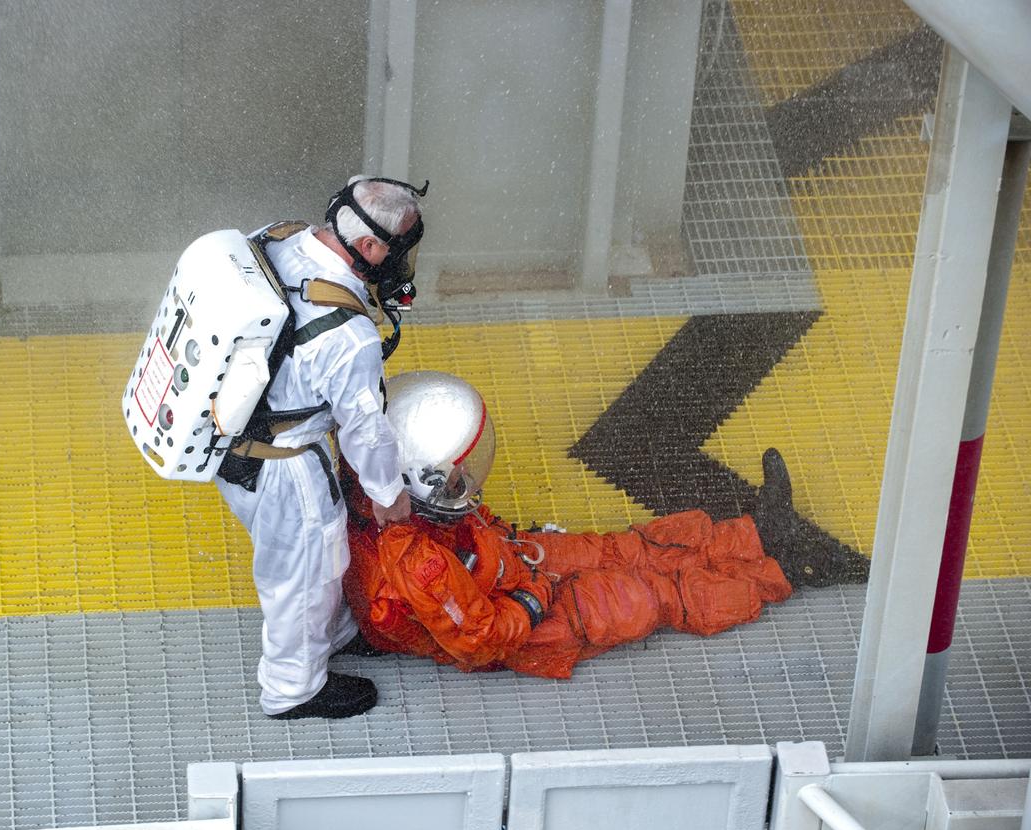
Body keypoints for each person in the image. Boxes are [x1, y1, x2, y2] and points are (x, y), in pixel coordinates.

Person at [341, 371, 822, 679]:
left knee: (622, 549)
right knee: (652, 595)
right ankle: (785, 571)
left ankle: (757, 534)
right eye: (454, 479)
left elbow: (448, 523)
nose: (466, 483)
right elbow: (480, 640)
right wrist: (530, 601)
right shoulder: (415, 564)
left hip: (499, 563)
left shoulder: (382, 497)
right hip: (524, 624)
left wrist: (499, 543)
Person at [214, 176, 427, 720]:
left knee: (311, 560)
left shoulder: (274, 237)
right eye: (402, 247)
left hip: (232, 445)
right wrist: (387, 495)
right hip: (286, 464)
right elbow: (365, 428)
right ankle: (292, 689)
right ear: (372, 248)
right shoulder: (348, 335)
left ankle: (331, 632)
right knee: (301, 572)